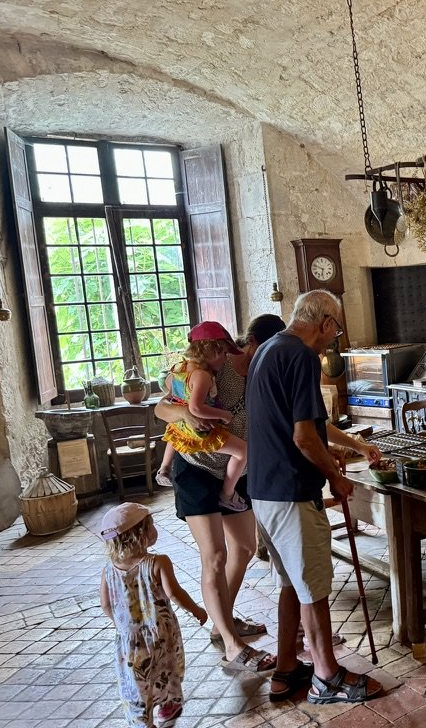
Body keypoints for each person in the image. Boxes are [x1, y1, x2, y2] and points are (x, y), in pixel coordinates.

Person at [246, 289, 384, 704]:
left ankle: (287, 666)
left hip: (264, 491)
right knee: (314, 589)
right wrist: (334, 478)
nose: (333, 339)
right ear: (324, 323)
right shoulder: (303, 356)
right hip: (291, 491)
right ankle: (328, 677)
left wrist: (356, 447)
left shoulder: (269, 349)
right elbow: (304, 437)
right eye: (336, 330)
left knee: (293, 583)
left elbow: (313, 428)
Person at [154, 314, 286, 673]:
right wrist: (182, 413)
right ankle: (231, 644)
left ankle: (221, 620)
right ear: (253, 345)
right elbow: (161, 404)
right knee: (214, 555)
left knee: (242, 548)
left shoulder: (264, 374)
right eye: (271, 351)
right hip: (196, 468)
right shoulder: (216, 366)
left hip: (233, 467)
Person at [98, 502, 208, 728]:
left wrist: (122, 626)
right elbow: (175, 594)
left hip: (129, 641)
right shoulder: (158, 562)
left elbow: (105, 603)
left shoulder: (108, 570)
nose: (155, 530)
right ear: (141, 533)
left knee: (137, 683)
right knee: (167, 670)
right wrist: (197, 610)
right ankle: (167, 706)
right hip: (160, 635)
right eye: (152, 526)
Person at [163, 321, 248, 512]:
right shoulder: (202, 376)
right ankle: (227, 494)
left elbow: (172, 398)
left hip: (181, 429)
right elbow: (196, 408)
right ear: (213, 350)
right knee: (243, 451)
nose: (225, 359)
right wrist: (224, 415)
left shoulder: (178, 369)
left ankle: (164, 468)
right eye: (224, 353)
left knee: (172, 431)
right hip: (200, 430)